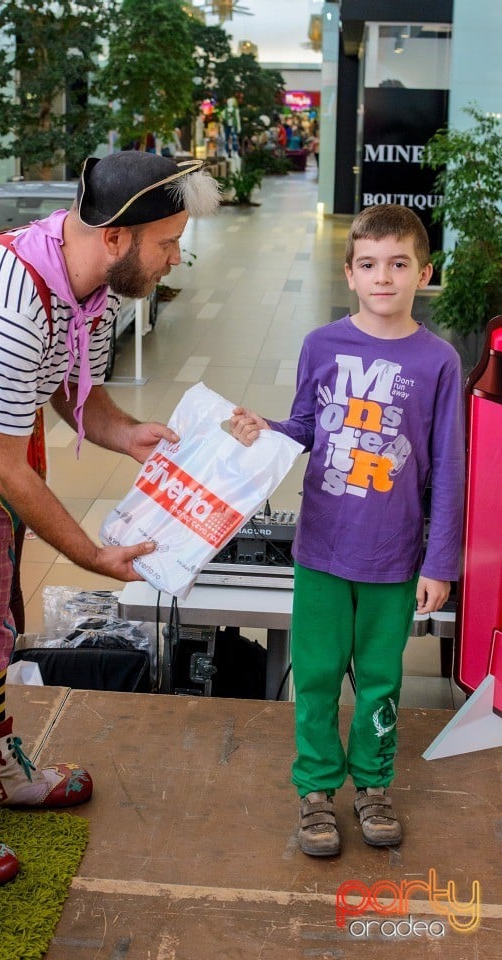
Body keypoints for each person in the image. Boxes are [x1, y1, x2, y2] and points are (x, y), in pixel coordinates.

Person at [0, 151, 220, 886]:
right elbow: (6, 466)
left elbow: (71, 391)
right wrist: (93, 555)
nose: (175, 257)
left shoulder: (91, 288)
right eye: (167, 242)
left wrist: (128, 434)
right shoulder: (13, 299)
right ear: (118, 238)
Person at [230, 205, 465, 857]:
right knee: (316, 674)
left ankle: (373, 786)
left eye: (398, 264)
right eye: (369, 265)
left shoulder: (439, 362)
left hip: (395, 559)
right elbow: (307, 426)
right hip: (323, 551)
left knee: (382, 680)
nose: (383, 278)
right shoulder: (322, 347)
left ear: (425, 272)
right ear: (349, 273)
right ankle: (314, 790)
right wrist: (266, 430)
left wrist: (439, 563)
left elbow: (448, 469)